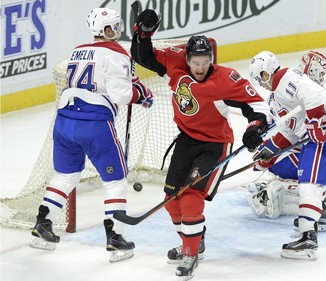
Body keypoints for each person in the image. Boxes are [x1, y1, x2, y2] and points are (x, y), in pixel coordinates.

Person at [130, 9, 270, 279]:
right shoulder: (174, 62)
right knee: (172, 199)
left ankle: (191, 253)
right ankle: (192, 242)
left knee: (192, 198)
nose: (201, 66)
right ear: (187, 58)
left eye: (206, 60)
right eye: (196, 60)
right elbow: (141, 56)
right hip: (187, 140)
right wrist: (143, 34)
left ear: (211, 59)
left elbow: (255, 103)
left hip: (215, 145)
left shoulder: (224, 79)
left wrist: (255, 126)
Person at [30, 8, 153, 263]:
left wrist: (132, 80)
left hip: (64, 122)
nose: (116, 32)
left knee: (66, 175)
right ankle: (115, 237)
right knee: (116, 179)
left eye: (117, 26)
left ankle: (43, 223)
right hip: (94, 125)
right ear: (103, 30)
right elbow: (121, 95)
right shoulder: (117, 53)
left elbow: (106, 78)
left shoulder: (79, 50)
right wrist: (141, 95)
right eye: (112, 28)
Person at [248, 50, 326, 260]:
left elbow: (311, 92)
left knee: (309, 182)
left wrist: (315, 121)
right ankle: (317, 218)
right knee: (310, 178)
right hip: (325, 130)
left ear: (269, 71)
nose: (260, 82)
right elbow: (289, 131)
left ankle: (307, 240)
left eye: (261, 76)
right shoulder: (276, 98)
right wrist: (269, 150)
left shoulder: (286, 78)